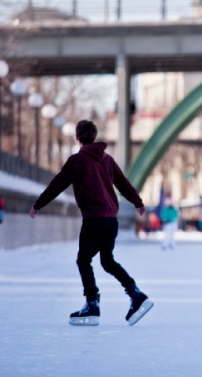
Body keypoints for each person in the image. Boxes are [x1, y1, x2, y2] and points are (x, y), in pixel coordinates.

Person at [29, 119, 153, 327]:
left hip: (94, 219)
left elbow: (57, 184)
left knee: (83, 260)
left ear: (77, 138)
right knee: (107, 261)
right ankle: (136, 294)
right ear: (94, 136)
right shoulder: (107, 160)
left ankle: (92, 303)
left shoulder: (77, 161)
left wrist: (37, 205)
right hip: (110, 219)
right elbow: (123, 183)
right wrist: (137, 203)